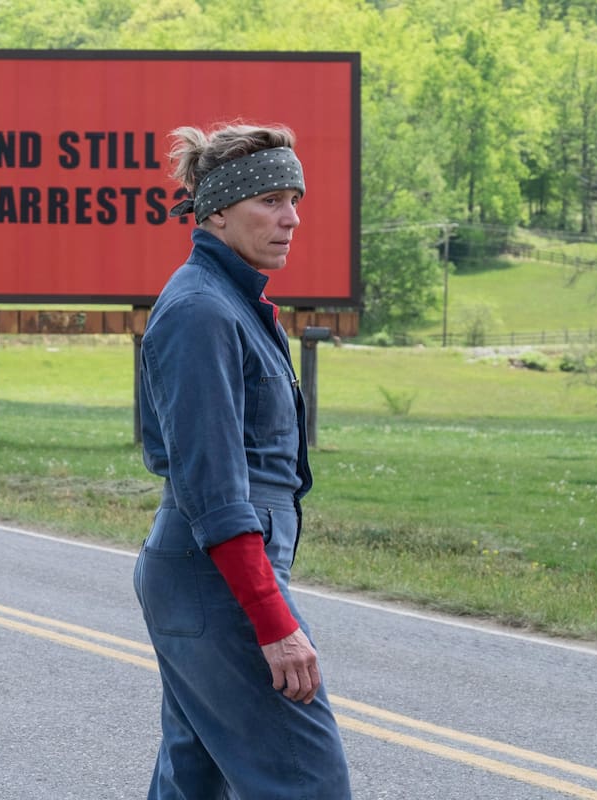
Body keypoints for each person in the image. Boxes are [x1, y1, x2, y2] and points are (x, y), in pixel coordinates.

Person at [134, 121, 352, 799]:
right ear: (218, 211)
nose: (291, 219)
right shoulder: (202, 312)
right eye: (271, 200)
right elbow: (215, 491)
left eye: (295, 200)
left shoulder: (231, 302)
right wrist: (274, 621)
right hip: (218, 580)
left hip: (205, 579)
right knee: (306, 782)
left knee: (193, 783)